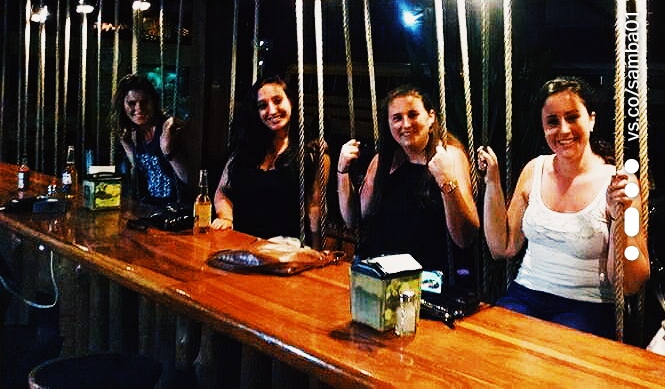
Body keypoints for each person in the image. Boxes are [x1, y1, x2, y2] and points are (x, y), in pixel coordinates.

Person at [477, 76, 650, 339]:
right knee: (494, 343)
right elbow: (503, 247)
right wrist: (493, 181)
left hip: (587, 305)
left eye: (572, 117)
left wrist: (620, 218)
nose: (563, 130)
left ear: (591, 119)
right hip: (526, 293)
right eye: (552, 122)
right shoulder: (535, 169)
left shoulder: (620, 183)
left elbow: (631, 283)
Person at [337, 85, 479, 277]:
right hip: (379, 271)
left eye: (413, 115)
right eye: (397, 118)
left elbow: (464, 237)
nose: (405, 124)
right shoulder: (383, 161)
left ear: (431, 117)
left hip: (427, 277)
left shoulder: (449, 157)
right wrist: (342, 171)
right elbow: (353, 219)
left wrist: (446, 181)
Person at [212, 75, 329, 251]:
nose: (272, 110)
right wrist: (226, 218)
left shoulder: (312, 155)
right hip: (242, 249)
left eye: (277, 100)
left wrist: (317, 252)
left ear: (290, 101)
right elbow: (222, 192)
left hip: (286, 253)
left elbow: (315, 209)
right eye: (263, 106)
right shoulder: (244, 151)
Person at [109, 73, 191, 205]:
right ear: (122, 106)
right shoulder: (130, 134)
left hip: (178, 209)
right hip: (150, 208)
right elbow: (140, 173)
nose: (139, 108)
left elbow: (189, 179)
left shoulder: (170, 128)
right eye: (132, 103)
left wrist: (168, 150)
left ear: (154, 102)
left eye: (144, 102)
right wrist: (127, 144)